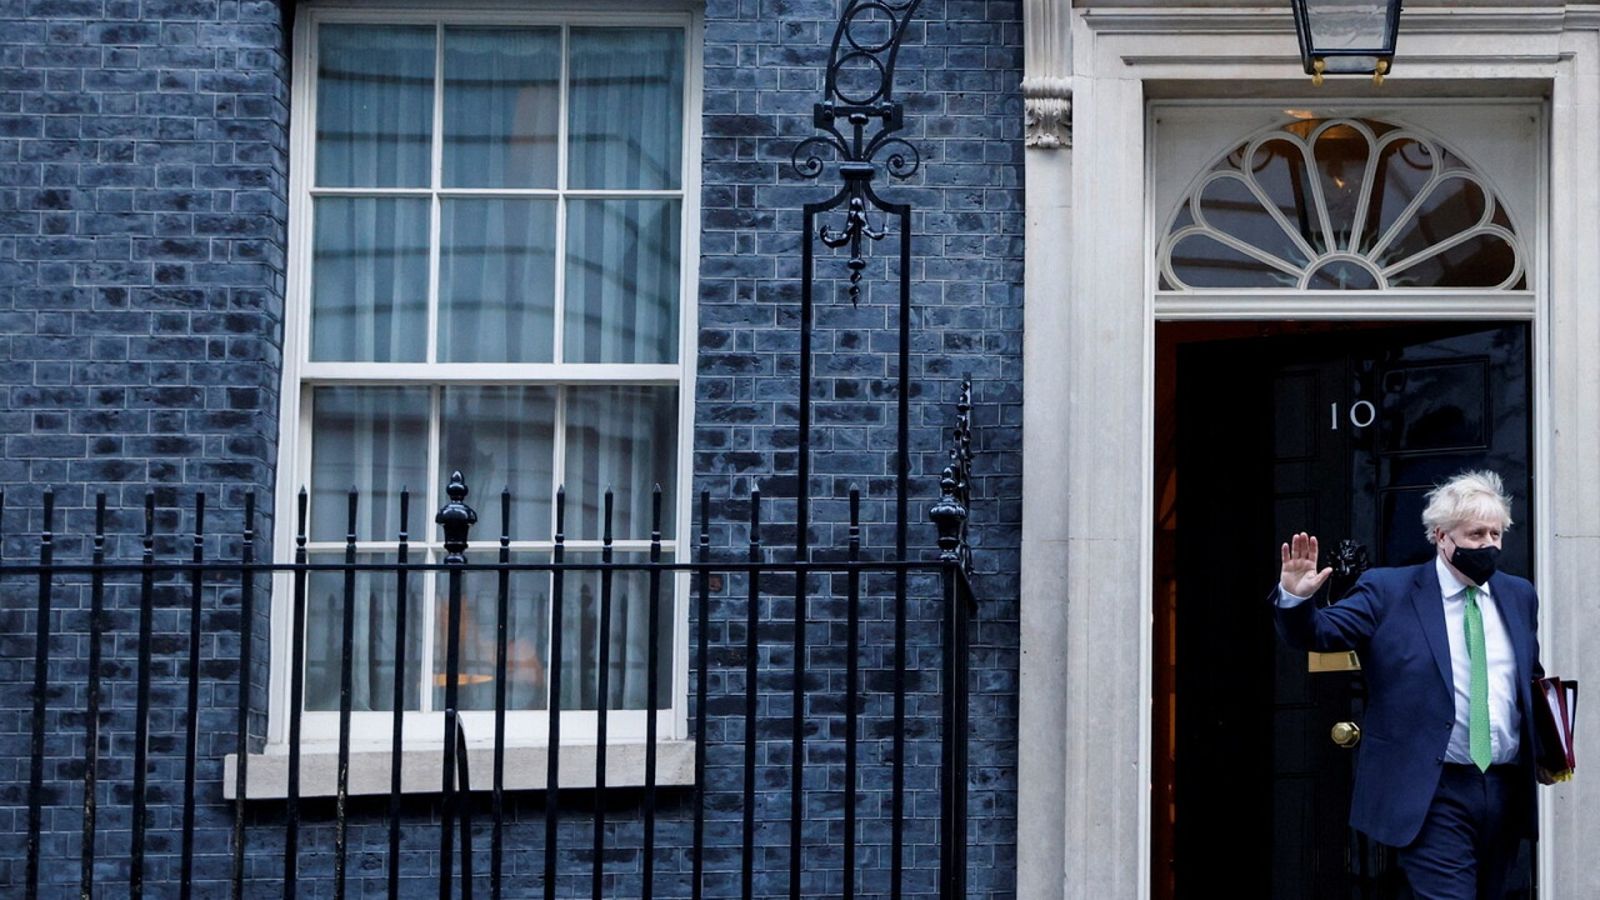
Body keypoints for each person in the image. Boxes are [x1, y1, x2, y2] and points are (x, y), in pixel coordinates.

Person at [1274, 470, 1544, 899]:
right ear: (1441, 536)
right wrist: (1296, 598)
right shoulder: (1388, 591)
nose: (1488, 544)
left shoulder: (1518, 594)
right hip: (1433, 790)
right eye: (1475, 534)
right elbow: (1319, 634)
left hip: (1504, 787)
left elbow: (1527, 678)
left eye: (1496, 533)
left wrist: (1551, 740)